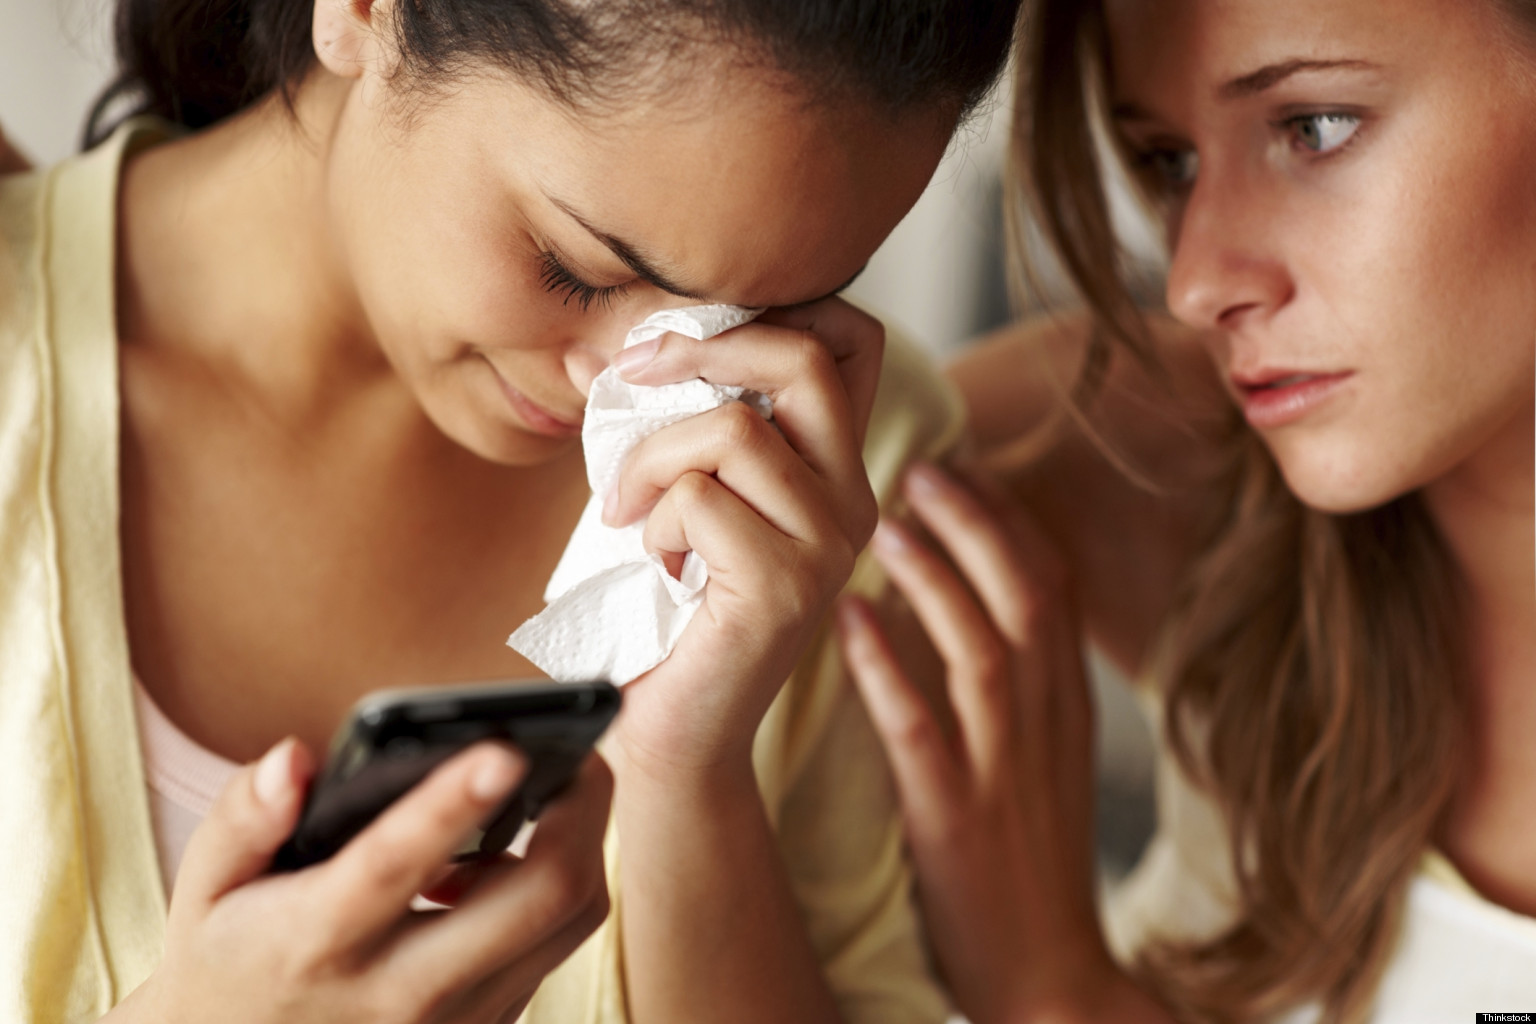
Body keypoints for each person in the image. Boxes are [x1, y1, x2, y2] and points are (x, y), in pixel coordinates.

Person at [0, 0, 1020, 1021]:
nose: (617, 386)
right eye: (575, 269)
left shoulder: (830, 478)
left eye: (753, 315)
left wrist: (686, 778)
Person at [837, 0, 1536, 1021]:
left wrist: (1053, 990)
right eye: (1168, 162)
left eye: (1315, 126)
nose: (1199, 278)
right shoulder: (1175, 460)